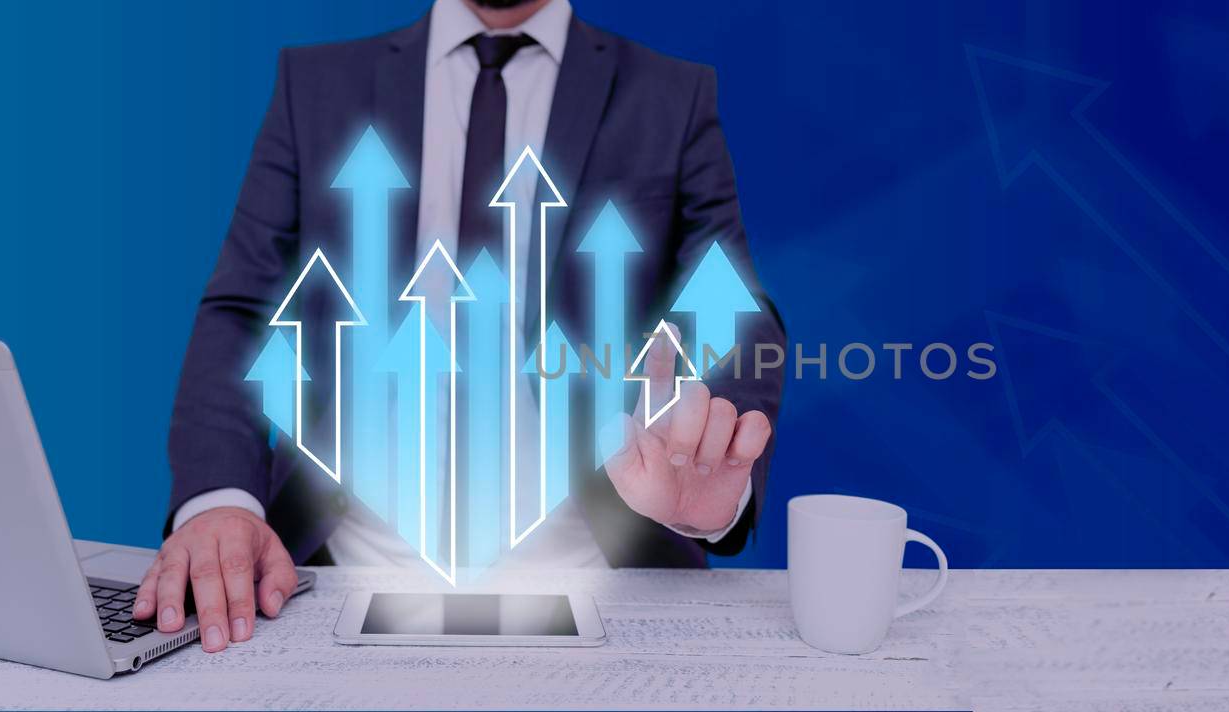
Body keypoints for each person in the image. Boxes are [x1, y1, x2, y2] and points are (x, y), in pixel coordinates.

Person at [139, 0, 784, 653]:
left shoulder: (669, 94)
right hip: (336, 576)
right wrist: (221, 500)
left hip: (599, 584)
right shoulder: (316, 85)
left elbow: (731, 308)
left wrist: (710, 470)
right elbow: (246, 306)